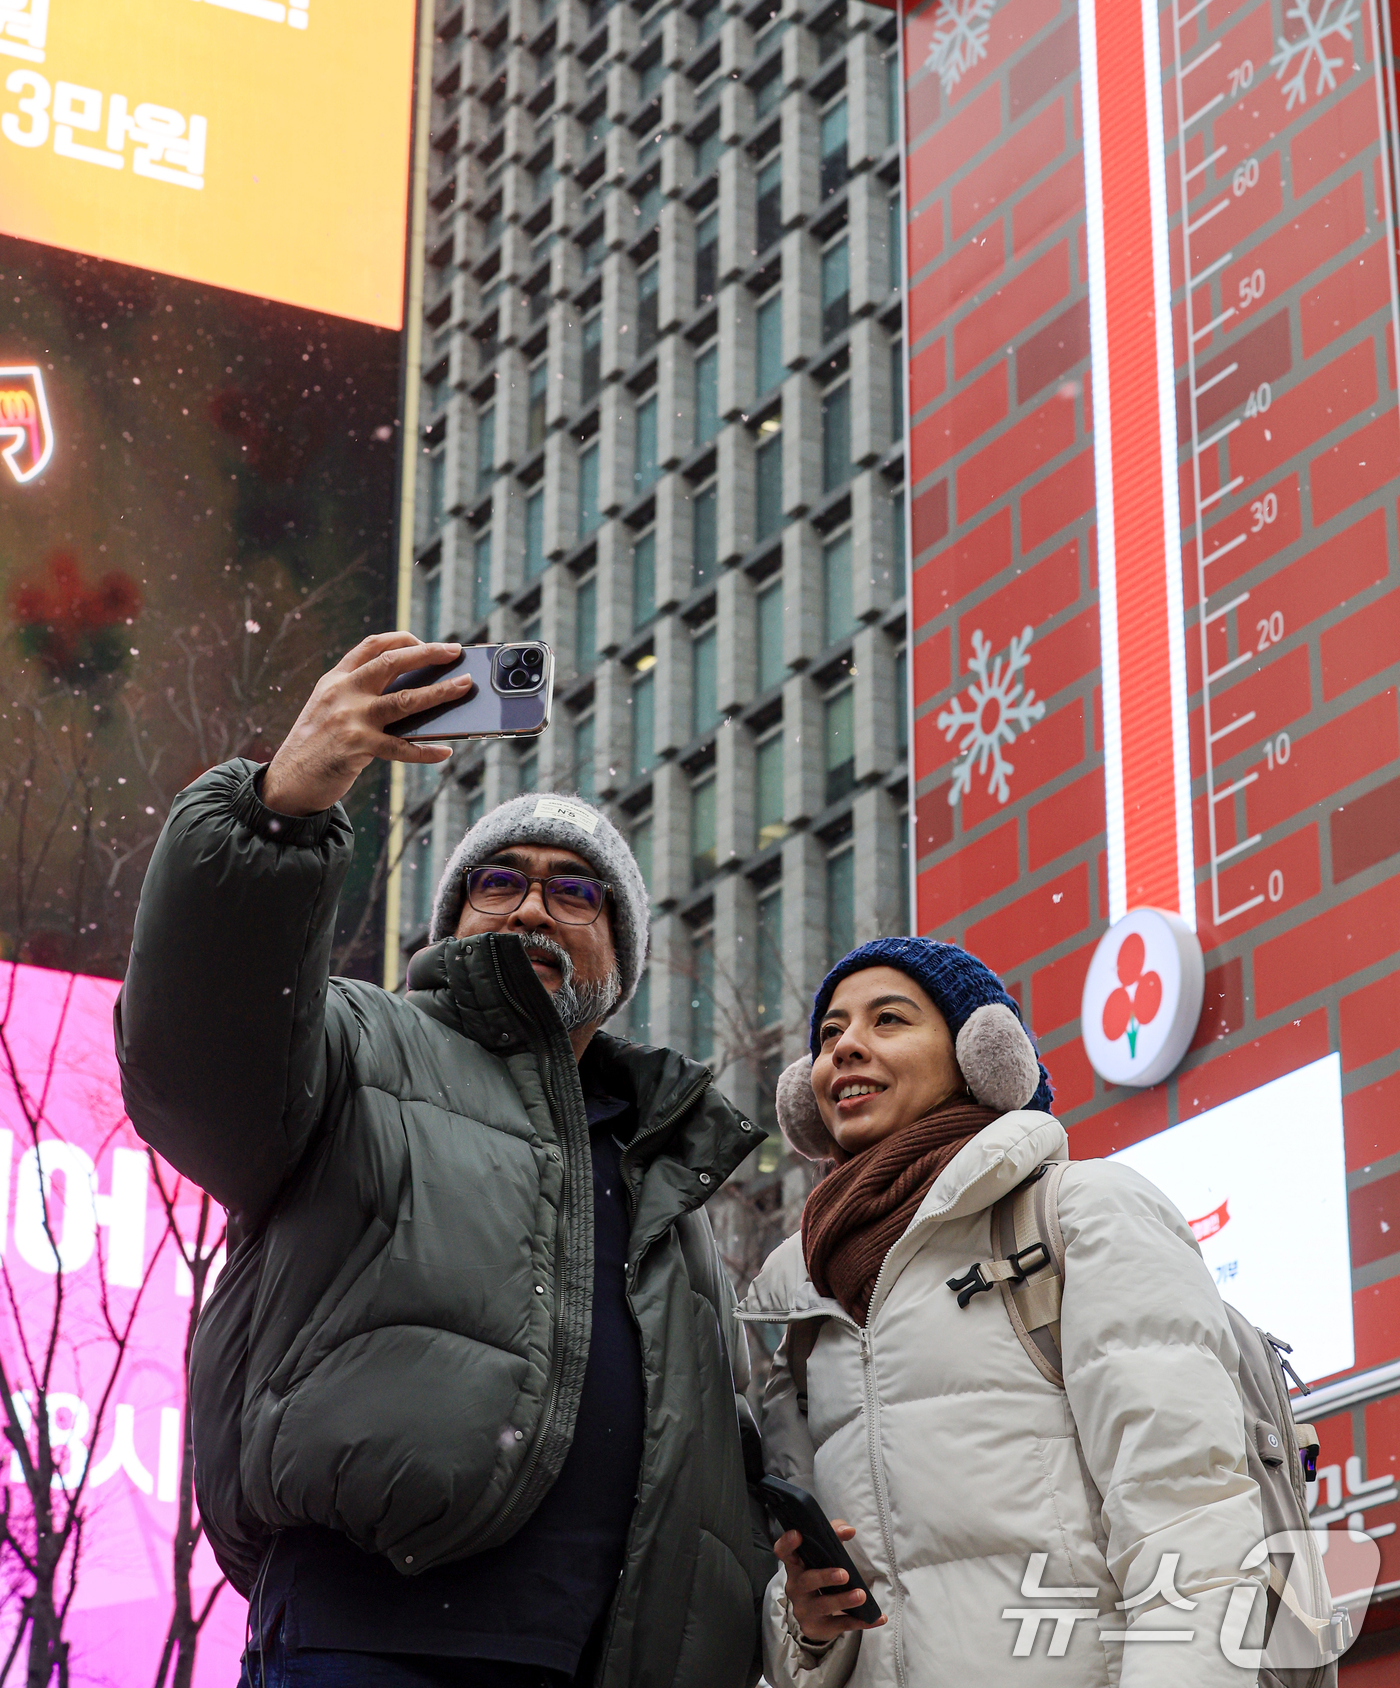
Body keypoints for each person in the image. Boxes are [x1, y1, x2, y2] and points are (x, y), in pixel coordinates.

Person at [117, 631, 771, 1688]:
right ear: (452, 924)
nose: (529, 905)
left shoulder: (668, 1171)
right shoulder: (359, 1050)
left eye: (576, 892)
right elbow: (193, 1060)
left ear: (621, 956)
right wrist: (280, 807)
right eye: (498, 882)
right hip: (370, 1639)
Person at [740, 935, 1268, 1688]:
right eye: (830, 1035)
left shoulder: (1085, 1214)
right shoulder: (798, 1307)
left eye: (889, 1020)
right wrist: (808, 1626)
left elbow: (1191, 1524)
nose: (848, 1047)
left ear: (980, 1055)